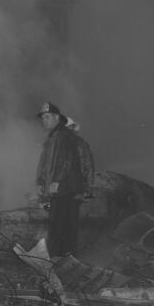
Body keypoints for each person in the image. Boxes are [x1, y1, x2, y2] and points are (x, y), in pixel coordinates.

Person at [35, 101, 94, 259]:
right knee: (62, 228)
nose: (44, 121)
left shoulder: (65, 137)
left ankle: (58, 261)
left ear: (56, 118)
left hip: (66, 190)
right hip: (62, 190)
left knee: (60, 228)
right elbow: (46, 164)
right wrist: (41, 183)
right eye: (43, 118)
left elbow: (71, 162)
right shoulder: (53, 139)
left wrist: (60, 182)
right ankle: (64, 259)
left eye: (47, 117)